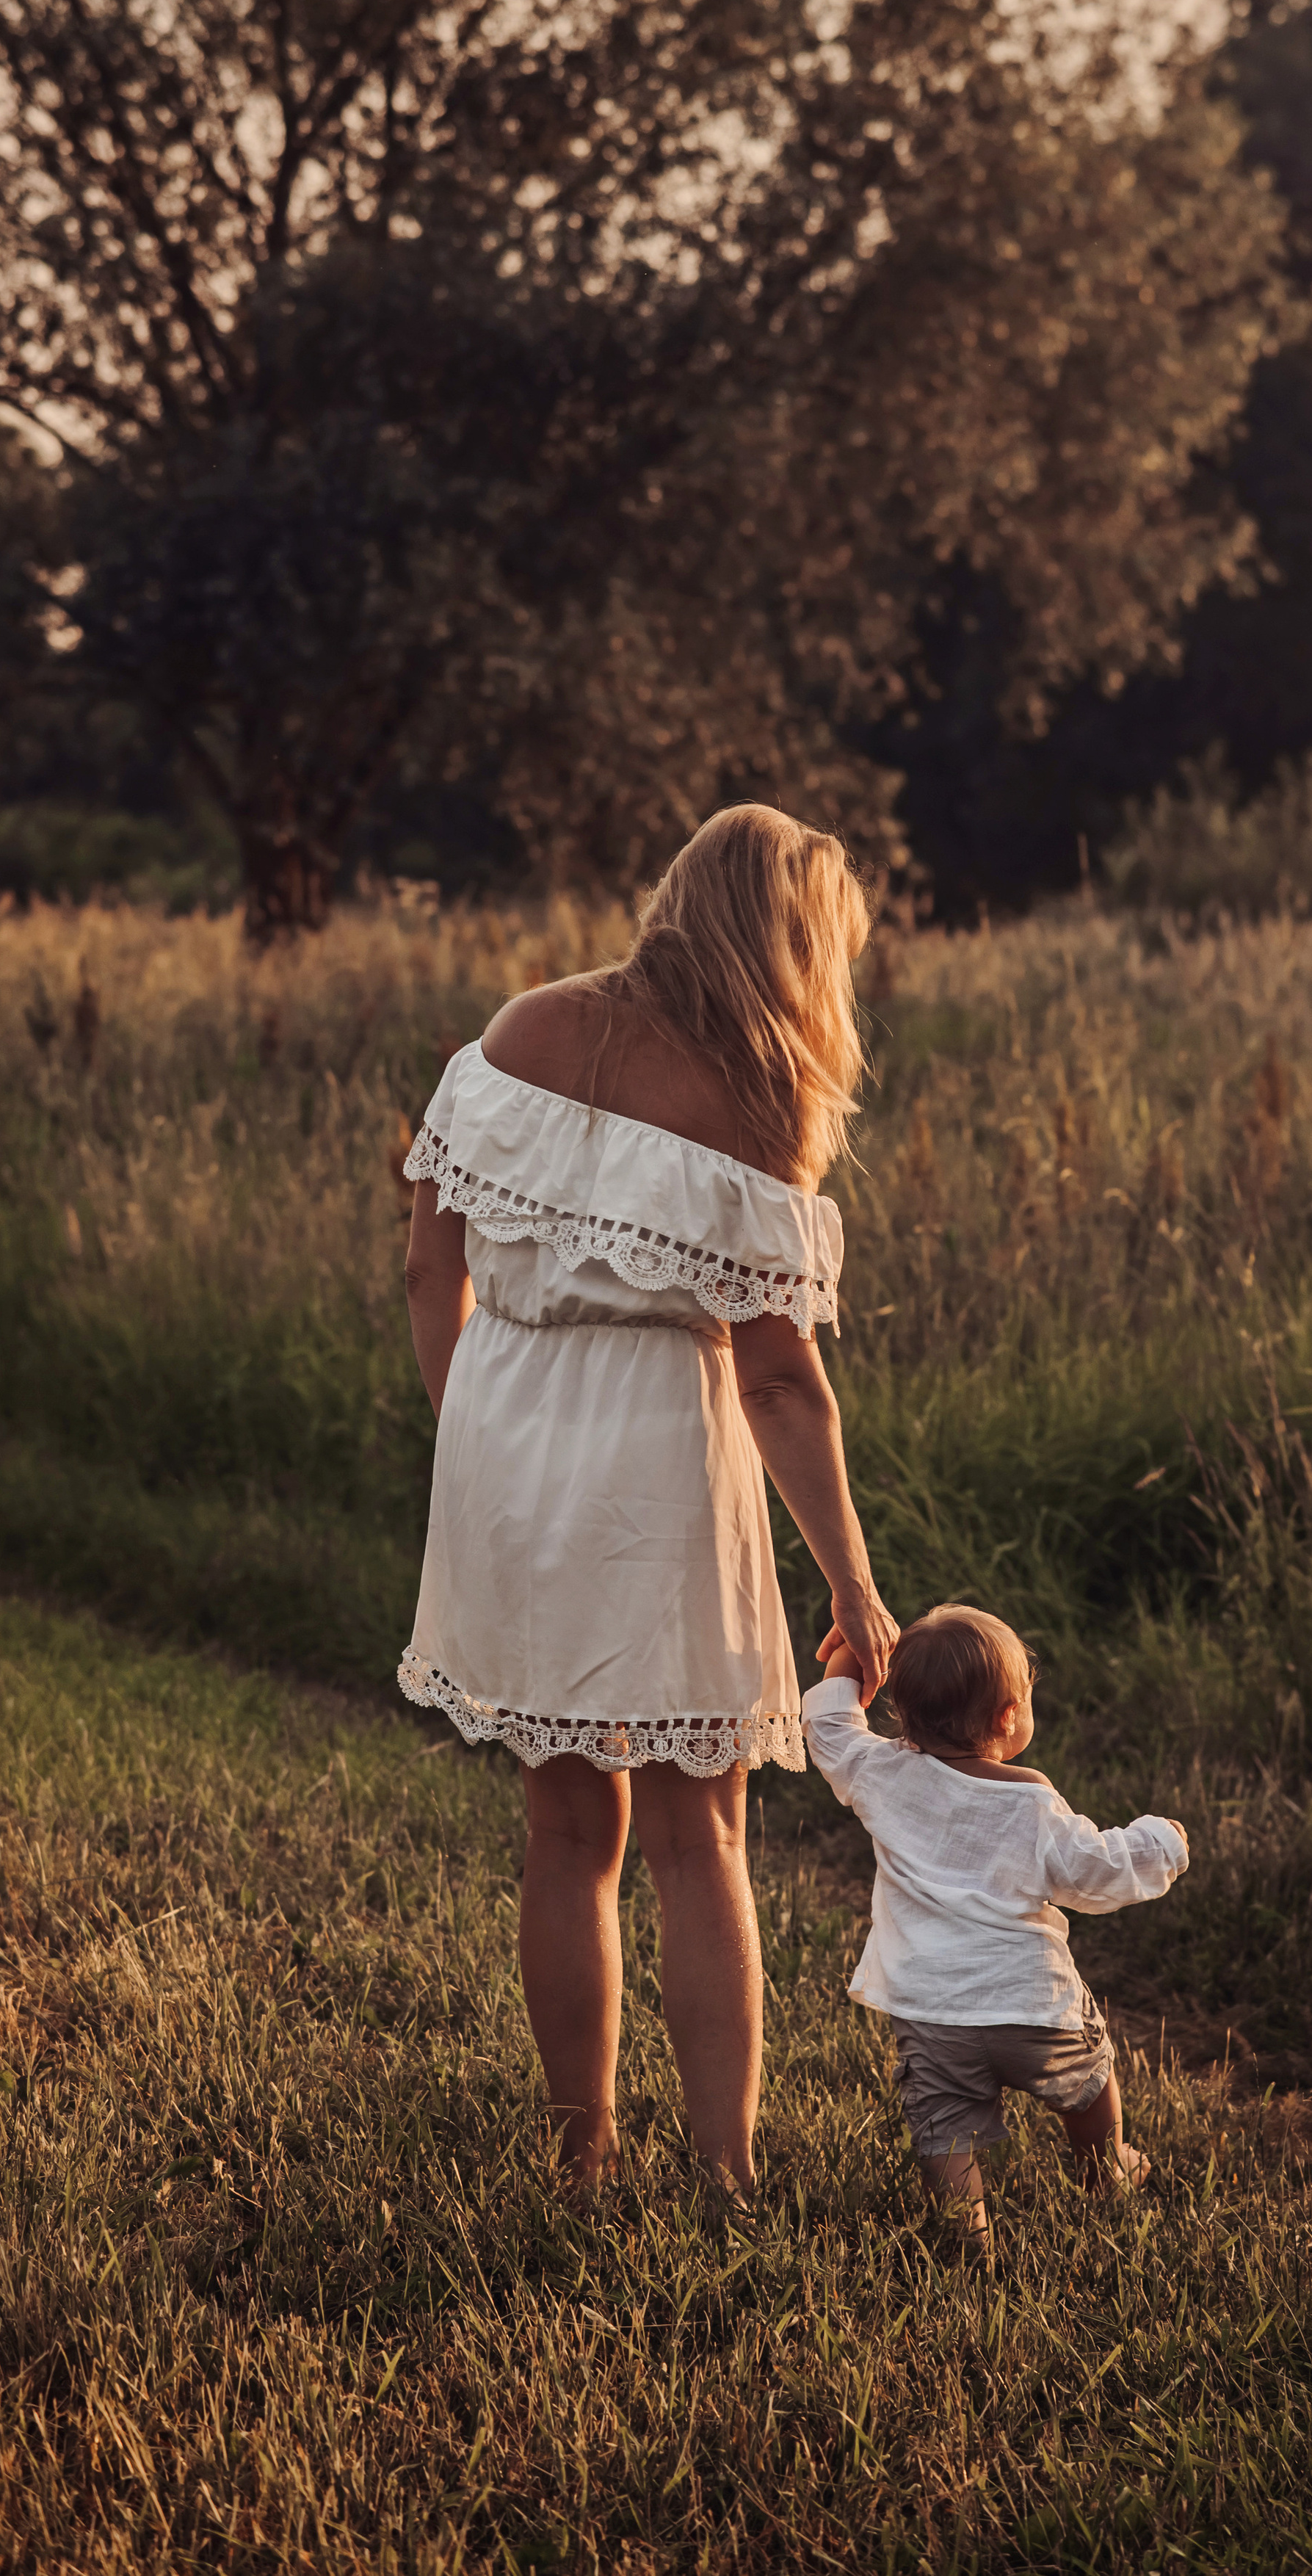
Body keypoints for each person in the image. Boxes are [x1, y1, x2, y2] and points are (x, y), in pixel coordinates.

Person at [400, 806, 899, 2198]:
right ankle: (724, 2173)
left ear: (678, 895)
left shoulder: (513, 1032)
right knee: (702, 1831)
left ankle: (583, 2155)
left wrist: (475, 1434)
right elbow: (782, 1383)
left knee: (565, 1829)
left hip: (506, 1429)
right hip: (658, 1449)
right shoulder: (759, 1096)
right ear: (794, 943)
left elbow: (426, 1268)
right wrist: (855, 1586)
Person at [802, 1604, 1187, 2258]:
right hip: (1033, 2007)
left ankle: (967, 2234)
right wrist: (1162, 1842)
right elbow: (1095, 1870)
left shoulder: (881, 1773)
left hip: (931, 2014)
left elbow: (829, 1727)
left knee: (943, 2129)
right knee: (1090, 2080)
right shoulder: (1030, 1800)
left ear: (904, 1710)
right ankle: (1107, 2165)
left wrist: (850, 1655)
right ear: (1010, 1717)